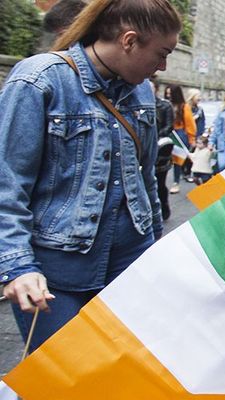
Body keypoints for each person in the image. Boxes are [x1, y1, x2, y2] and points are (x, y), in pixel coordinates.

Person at [0, 0, 181, 353]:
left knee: (120, 370)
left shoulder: (141, 91)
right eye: (161, 53)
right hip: (56, 271)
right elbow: (7, 184)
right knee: (61, 378)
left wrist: (156, 251)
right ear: (129, 41)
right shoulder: (38, 80)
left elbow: (145, 182)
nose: (163, 66)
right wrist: (17, 265)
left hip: (130, 262)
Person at [150, 77, 174, 220]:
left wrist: (156, 137)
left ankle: (164, 208)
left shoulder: (165, 106)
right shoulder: (136, 104)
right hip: (145, 152)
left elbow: (169, 126)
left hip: (161, 151)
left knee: (160, 183)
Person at [168, 84, 196, 193]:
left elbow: (190, 124)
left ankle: (176, 182)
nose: (168, 95)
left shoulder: (184, 107)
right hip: (169, 133)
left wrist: (191, 139)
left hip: (179, 135)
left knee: (177, 160)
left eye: (170, 93)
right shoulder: (167, 105)